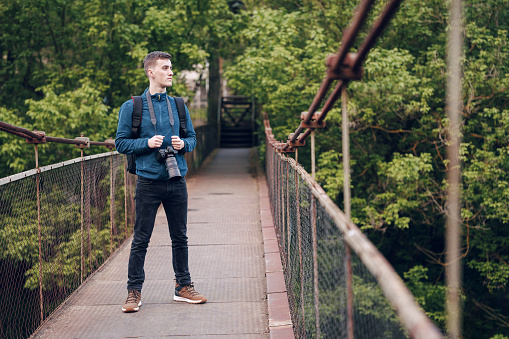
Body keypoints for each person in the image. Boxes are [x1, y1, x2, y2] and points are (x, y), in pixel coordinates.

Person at [115, 51, 207, 313]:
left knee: (180, 236)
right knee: (141, 238)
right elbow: (121, 143)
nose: (170, 72)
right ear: (150, 72)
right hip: (148, 182)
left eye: (171, 68)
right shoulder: (131, 106)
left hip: (177, 179)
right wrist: (146, 143)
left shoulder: (179, 105)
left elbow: (192, 138)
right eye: (165, 68)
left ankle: (183, 286)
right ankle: (134, 292)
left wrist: (182, 143)